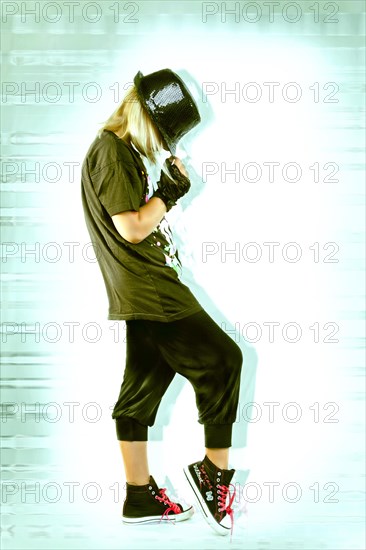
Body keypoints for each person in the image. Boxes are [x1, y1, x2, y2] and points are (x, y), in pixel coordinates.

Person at [80, 68, 243, 537]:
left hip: (139, 288)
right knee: (224, 360)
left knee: (140, 392)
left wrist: (163, 192)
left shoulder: (115, 151)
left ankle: (138, 495)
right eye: (162, 132)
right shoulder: (111, 151)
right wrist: (170, 193)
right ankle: (213, 476)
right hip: (152, 288)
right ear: (143, 113)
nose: (162, 144)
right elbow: (131, 227)